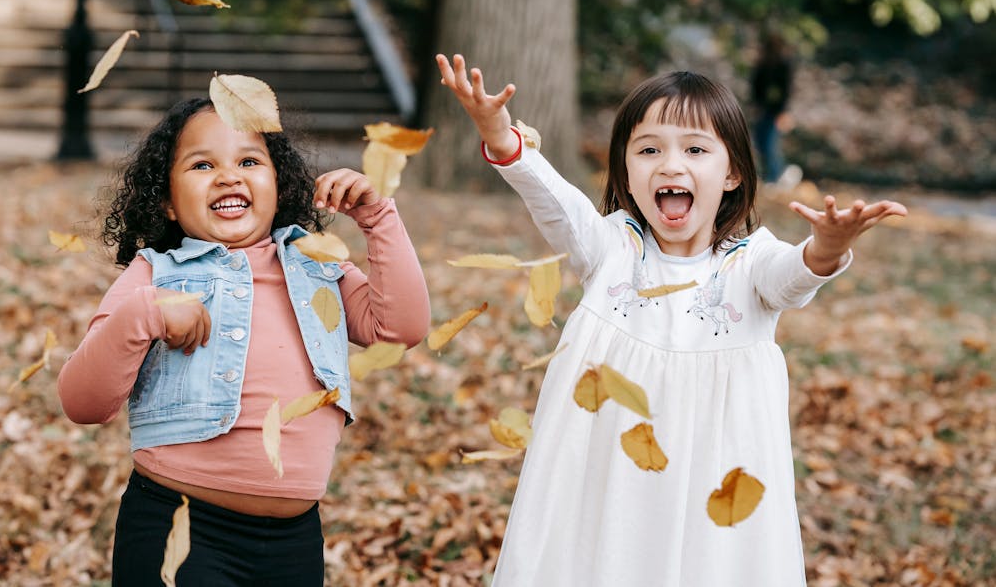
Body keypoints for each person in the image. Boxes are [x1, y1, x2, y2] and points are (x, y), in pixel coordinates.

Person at [436, 53, 906, 587]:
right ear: (627, 172)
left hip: (714, 480)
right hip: (608, 476)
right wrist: (499, 134)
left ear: (731, 174)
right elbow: (551, 199)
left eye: (696, 149)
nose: (670, 164)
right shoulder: (610, 247)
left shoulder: (750, 263)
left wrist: (826, 247)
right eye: (649, 150)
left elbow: (792, 277)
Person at [58, 97, 431, 586]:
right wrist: (145, 312)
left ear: (279, 185)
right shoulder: (157, 274)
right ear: (168, 201)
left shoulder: (319, 264)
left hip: (294, 542)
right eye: (202, 164)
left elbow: (399, 328)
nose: (229, 176)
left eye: (250, 161)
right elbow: (82, 402)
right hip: (180, 527)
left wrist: (377, 217)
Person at [750, 30, 797, 185]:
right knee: (761, 142)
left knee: (770, 143)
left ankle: (774, 176)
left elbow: (786, 90)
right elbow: (756, 87)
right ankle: (768, 175)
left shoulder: (783, 65)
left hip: (775, 110)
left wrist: (783, 112)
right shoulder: (762, 65)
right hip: (764, 109)